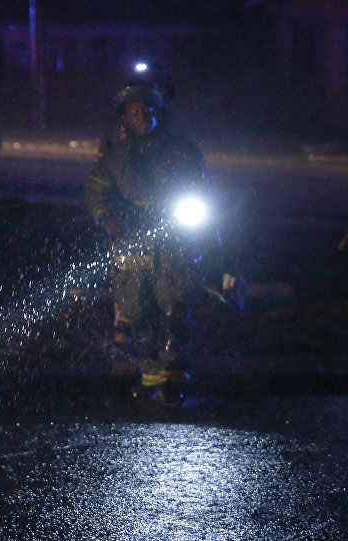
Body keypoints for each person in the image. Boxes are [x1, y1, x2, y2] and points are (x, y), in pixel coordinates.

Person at [85, 83, 212, 406]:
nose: (141, 117)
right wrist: (107, 217)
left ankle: (174, 379)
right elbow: (97, 192)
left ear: (159, 114)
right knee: (138, 313)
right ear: (125, 117)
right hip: (131, 243)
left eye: (147, 111)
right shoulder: (114, 156)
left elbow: (202, 188)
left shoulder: (182, 151)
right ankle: (149, 376)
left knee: (175, 309)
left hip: (174, 241)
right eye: (134, 112)